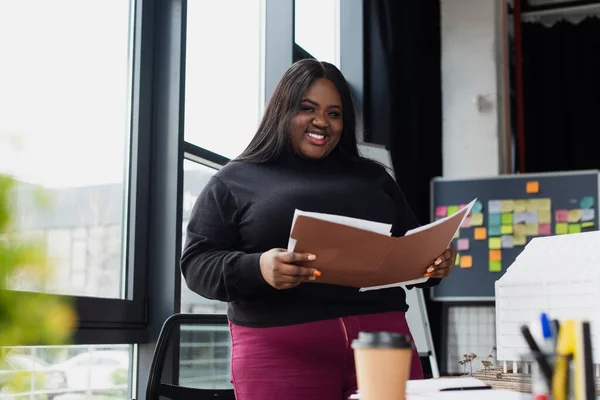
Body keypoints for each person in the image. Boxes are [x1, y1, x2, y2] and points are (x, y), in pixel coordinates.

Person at [181, 59, 456, 400]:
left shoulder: (373, 178)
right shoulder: (235, 179)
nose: (322, 122)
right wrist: (259, 268)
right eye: (308, 108)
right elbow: (196, 265)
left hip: (382, 347)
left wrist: (435, 263)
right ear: (282, 110)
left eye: (334, 113)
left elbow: (410, 251)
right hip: (281, 351)